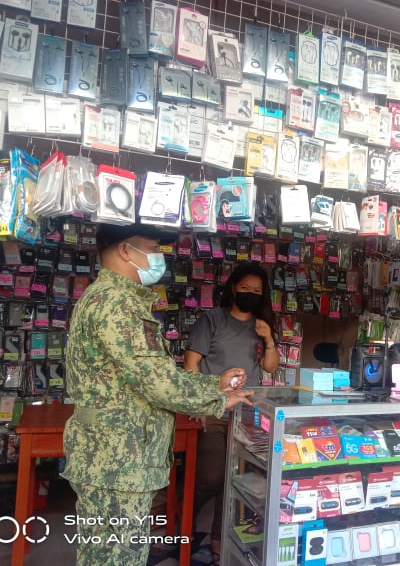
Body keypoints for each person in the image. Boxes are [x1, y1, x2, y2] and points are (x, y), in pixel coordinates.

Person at [62, 223, 253, 566]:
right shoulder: (117, 304)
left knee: (105, 554)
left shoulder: (104, 297)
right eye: (153, 248)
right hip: (117, 462)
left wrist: (213, 385)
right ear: (125, 250)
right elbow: (157, 383)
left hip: (111, 457)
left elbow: (146, 376)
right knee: (116, 557)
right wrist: (218, 397)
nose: (159, 258)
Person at [183, 263, 279, 564]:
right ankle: (179, 526)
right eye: (245, 288)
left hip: (246, 415)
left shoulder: (261, 325)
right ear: (233, 287)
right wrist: (199, 403)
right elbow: (191, 364)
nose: (250, 294)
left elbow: (270, 368)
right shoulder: (212, 319)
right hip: (212, 410)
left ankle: (218, 541)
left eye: (257, 291)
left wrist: (269, 339)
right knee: (210, 477)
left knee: (235, 481)